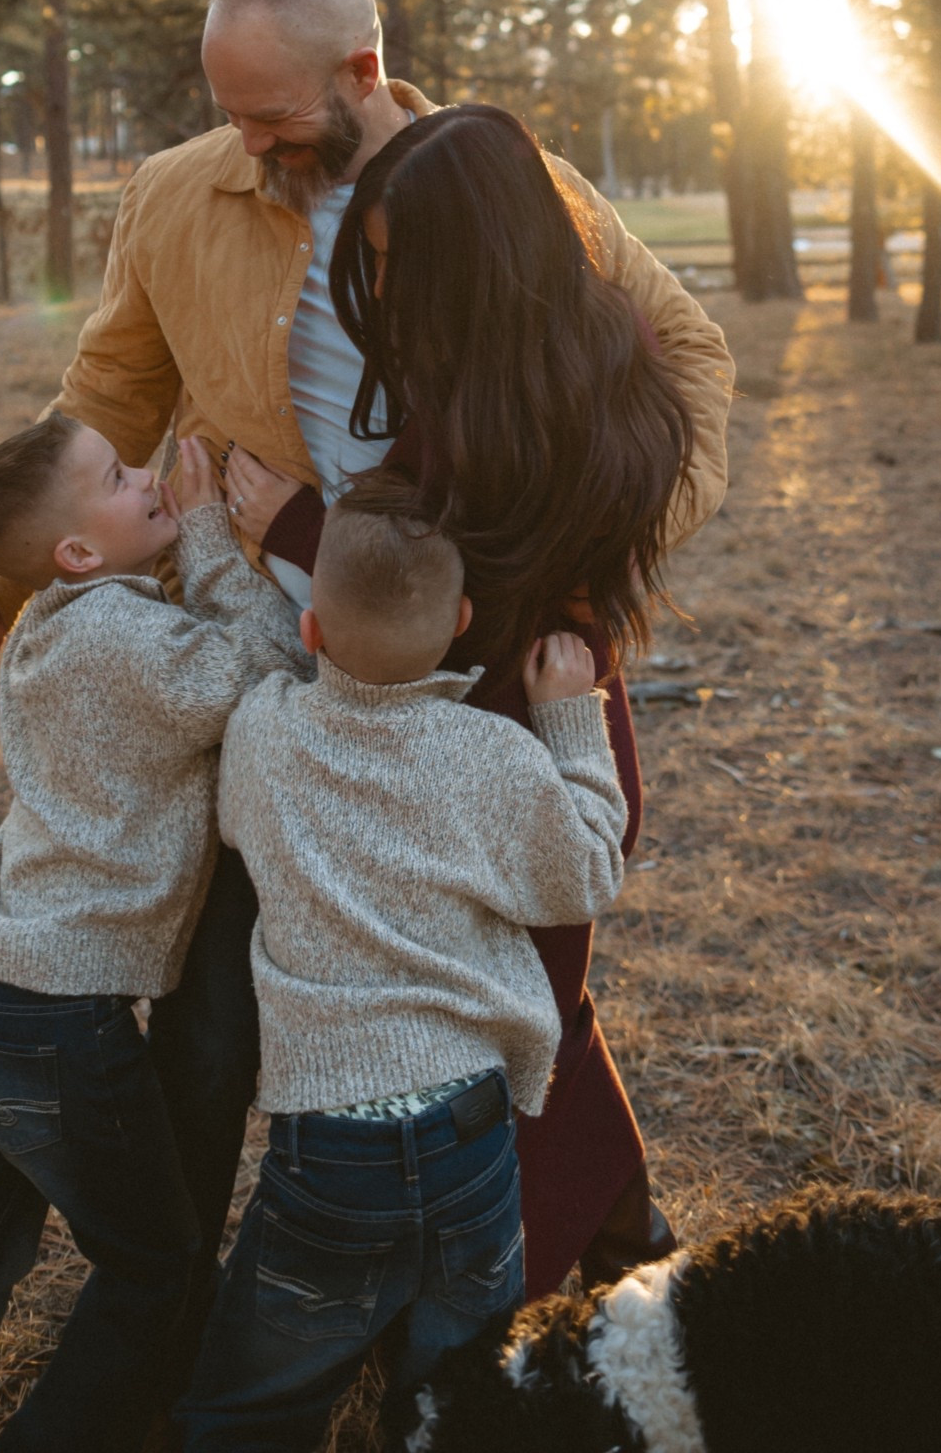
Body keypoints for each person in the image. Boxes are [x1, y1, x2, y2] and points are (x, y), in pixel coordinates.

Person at [0, 0, 733, 1293]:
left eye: (272, 114)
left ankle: (555, 1259)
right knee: (233, 982)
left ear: (362, 69)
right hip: (284, 659)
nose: (244, 143)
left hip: (478, 636)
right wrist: (1, 576)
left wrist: (586, 573)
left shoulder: (505, 190)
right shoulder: (180, 193)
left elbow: (675, 365)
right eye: (225, 109)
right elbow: (109, 392)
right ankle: (176, 1289)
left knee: (505, 975)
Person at [225, 100, 722, 1296]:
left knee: (514, 1037)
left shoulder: (496, 433)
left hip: (518, 751)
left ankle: (512, 1300)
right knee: (545, 1006)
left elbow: (447, 584)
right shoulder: (579, 370)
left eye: (398, 267)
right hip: (548, 723)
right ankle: (628, 1237)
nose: (383, 293)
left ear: (474, 263)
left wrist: (290, 523)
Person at [0, 422, 306, 1453]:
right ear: (78, 552)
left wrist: (174, 535)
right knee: (157, 1263)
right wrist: (218, 531)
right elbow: (264, 664)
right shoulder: (121, 640)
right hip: (58, 1024)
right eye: (121, 477)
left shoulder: (56, 617)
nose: (147, 477)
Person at [178, 482, 628, 1452]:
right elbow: (587, 871)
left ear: (311, 624)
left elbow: (245, 636)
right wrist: (572, 720)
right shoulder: (493, 757)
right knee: (455, 1399)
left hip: (329, 1146)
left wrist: (214, 533)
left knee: (246, 1405)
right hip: (470, 1134)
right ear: (463, 621)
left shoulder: (261, 732)